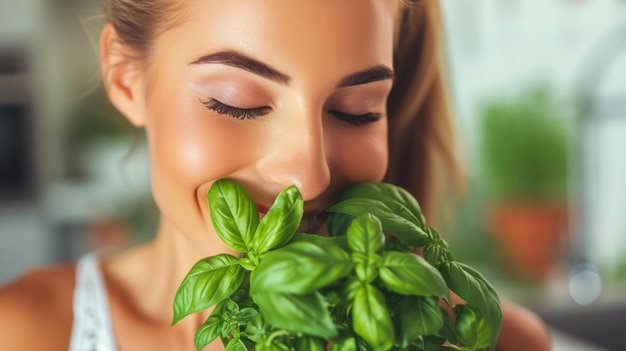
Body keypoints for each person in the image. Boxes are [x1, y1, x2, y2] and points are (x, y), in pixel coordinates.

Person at [0, 0, 551, 350]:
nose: (308, 178)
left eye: (356, 110)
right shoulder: (24, 332)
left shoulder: (478, 340)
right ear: (125, 78)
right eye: (235, 103)